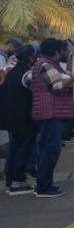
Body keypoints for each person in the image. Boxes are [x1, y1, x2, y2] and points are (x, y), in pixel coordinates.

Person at [31, 38, 74, 197]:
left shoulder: (47, 64)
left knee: (46, 149)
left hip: (49, 112)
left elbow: (63, 78)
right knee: (50, 150)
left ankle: (44, 184)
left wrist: (72, 70)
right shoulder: (46, 65)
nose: (63, 54)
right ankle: (44, 186)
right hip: (51, 112)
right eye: (61, 51)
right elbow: (57, 86)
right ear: (56, 51)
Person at [1, 45, 38, 195]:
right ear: (30, 58)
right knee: (23, 149)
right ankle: (17, 182)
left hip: (12, 118)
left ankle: (11, 181)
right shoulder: (28, 74)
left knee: (15, 148)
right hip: (25, 119)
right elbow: (38, 91)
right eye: (35, 56)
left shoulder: (11, 73)